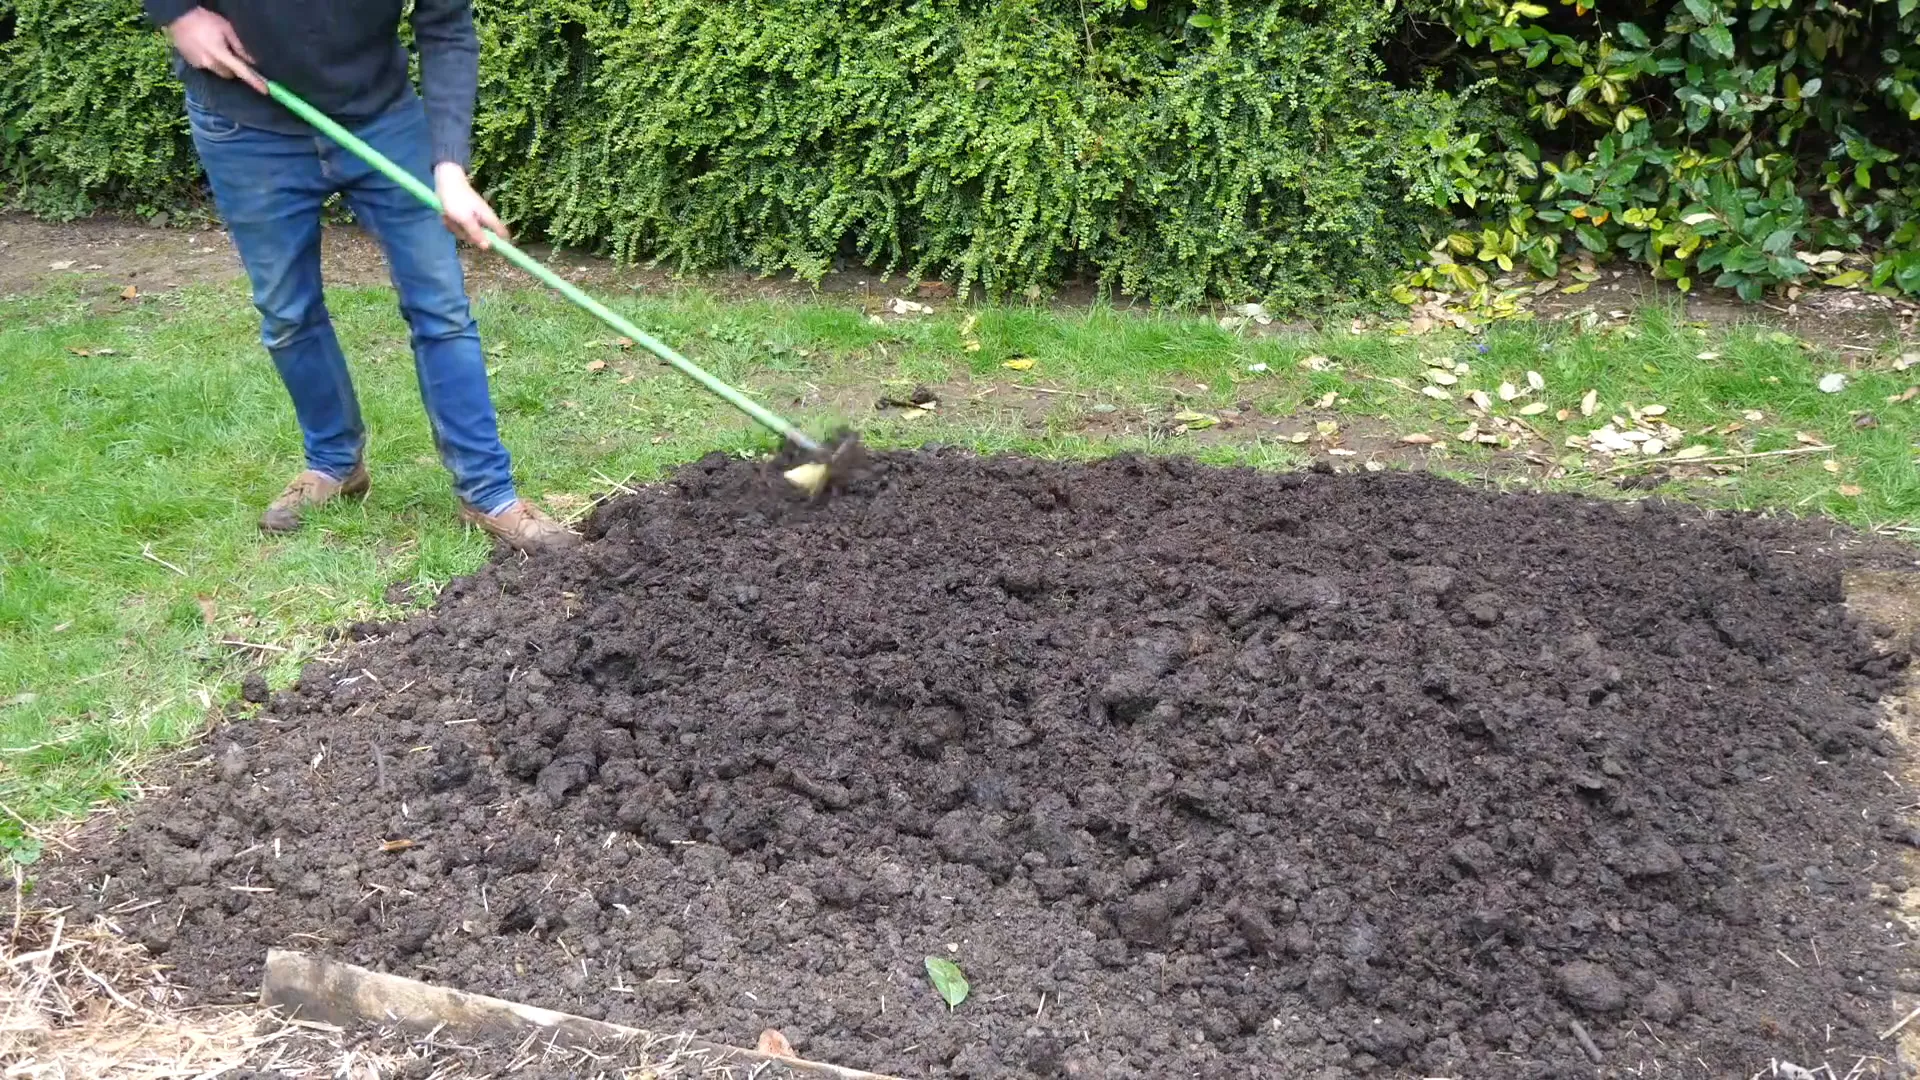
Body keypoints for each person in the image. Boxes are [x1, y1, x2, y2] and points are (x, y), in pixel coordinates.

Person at [142, 0, 579, 553]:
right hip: (246, 123)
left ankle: (488, 494)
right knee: (287, 310)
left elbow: (446, 27)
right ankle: (333, 464)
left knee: (440, 307)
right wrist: (178, 14)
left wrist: (448, 166)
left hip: (381, 120)